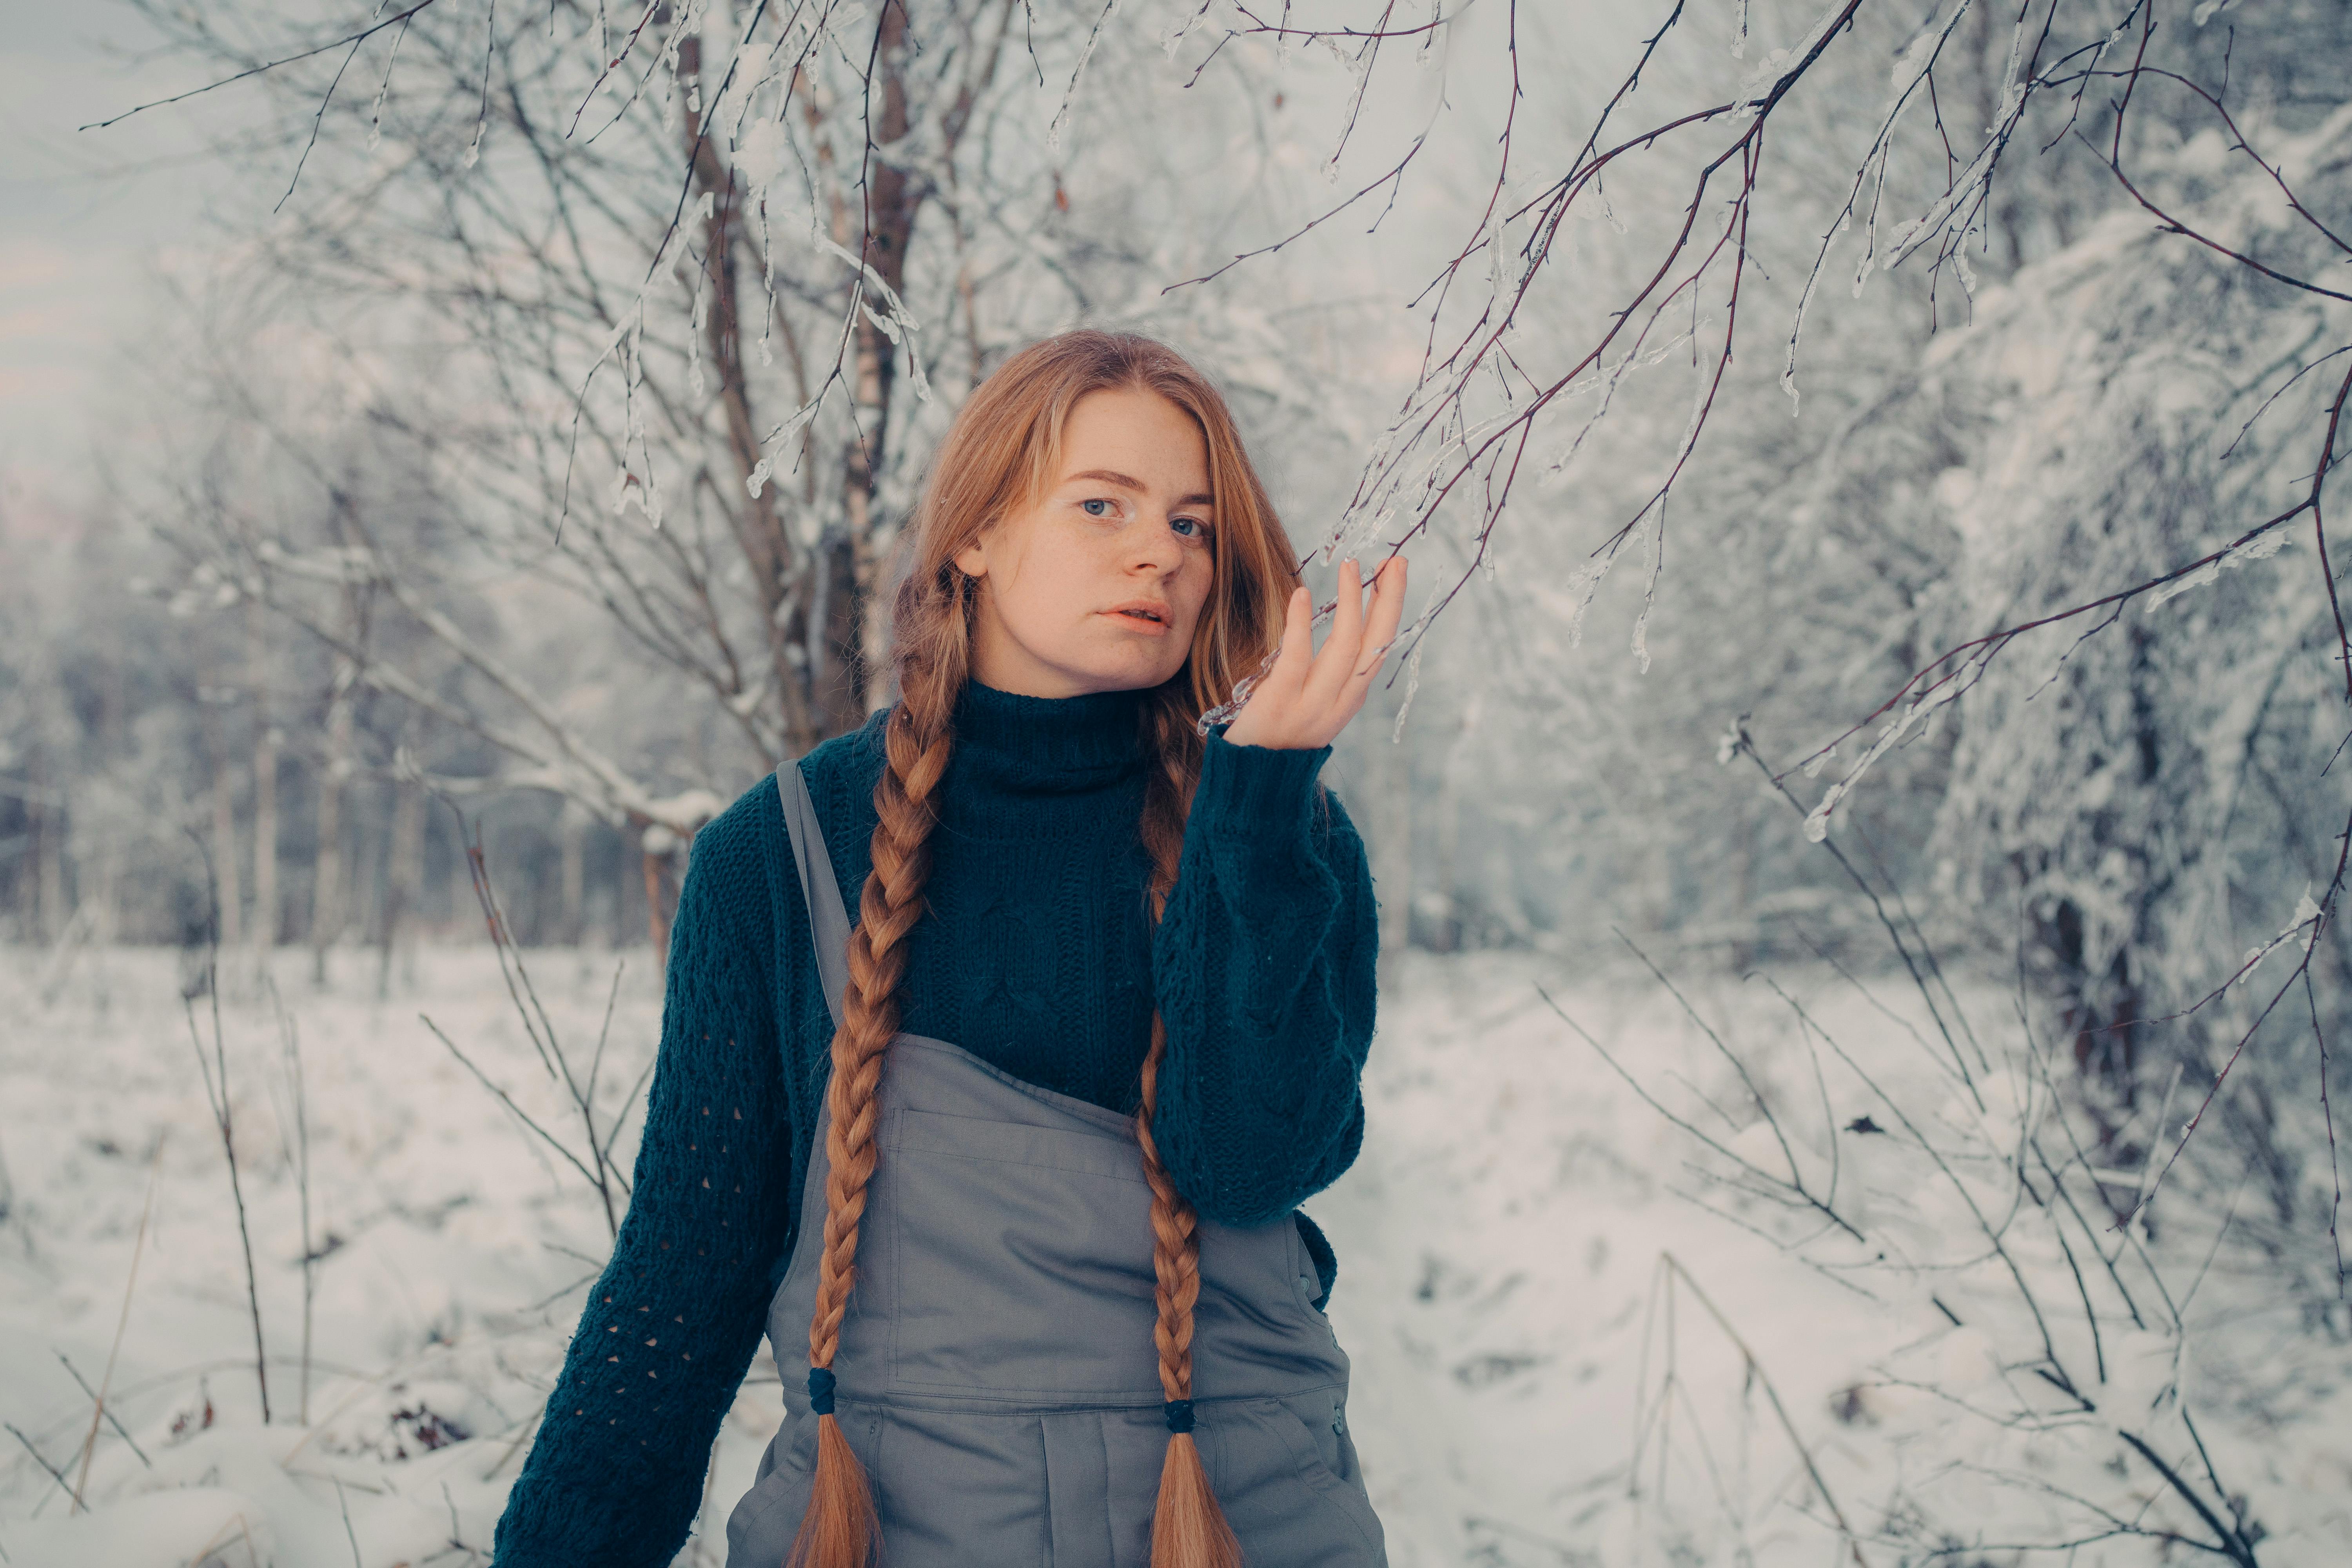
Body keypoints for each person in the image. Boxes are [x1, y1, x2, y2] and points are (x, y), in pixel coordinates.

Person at [489, 328, 1407, 1568]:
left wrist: (1263, 803)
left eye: (1193, 525)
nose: (1160, 553)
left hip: (1246, 1528)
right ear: (973, 535)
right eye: (1104, 505)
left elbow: (1249, 1164)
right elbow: (679, 1287)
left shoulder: (1280, 839)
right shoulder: (783, 853)